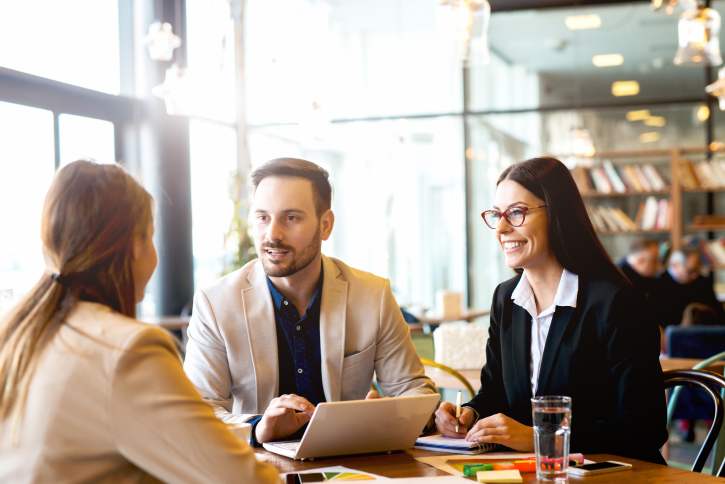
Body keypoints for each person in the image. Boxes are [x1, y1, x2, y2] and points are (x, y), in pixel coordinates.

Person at [0, 161, 280, 484]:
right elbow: (241, 480)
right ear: (134, 245)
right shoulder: (127, 351)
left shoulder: (19, 334)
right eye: (151, 238)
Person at [183, 157, 436, 445]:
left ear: (325, 225)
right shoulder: (215, 304)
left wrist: (391, 413)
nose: (272, 234)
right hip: (259, 471)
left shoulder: (372, 296)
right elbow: (195, 413)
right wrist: (257, 427)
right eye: (262, 217)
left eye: (291, 218)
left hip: (352, 467)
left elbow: (415, 392)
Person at [434, 157, 668, 465]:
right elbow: (496, 392)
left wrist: (538, 437)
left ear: (557, 214)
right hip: (534, 473)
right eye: (496, 215)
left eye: (516, 212)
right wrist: (469, 413)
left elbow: (643, 428)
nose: (501, 228)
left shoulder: (617, 302)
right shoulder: (506, 299)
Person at [654, 247, 725, 328]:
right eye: (690, 271)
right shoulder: (658, 284)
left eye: (697, 270)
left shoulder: (703, 282)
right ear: (676, 266)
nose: (695, 276)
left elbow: (719, 314)